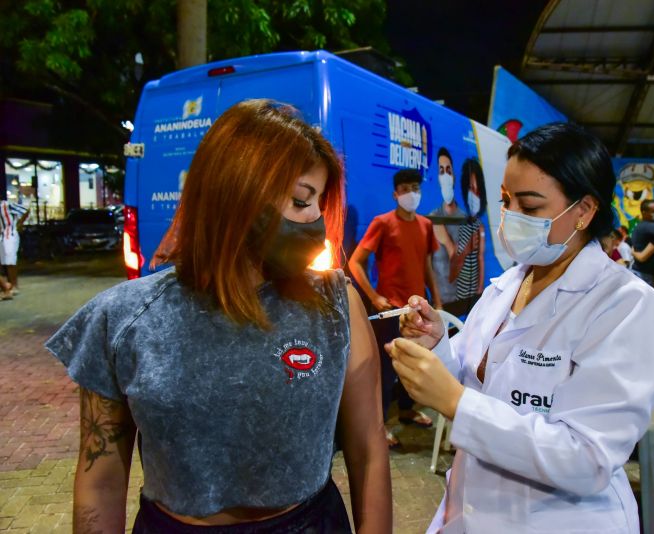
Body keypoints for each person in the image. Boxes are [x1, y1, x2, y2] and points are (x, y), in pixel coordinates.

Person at [45, 100, 391, 533]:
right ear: (236, 194)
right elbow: (100, 481)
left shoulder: (335, 304)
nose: (316, 220)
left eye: (319, 202)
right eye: (302, 200)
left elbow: (369, 449)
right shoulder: (123, 320)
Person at [387, 123, 654, 533]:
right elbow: (480, 381)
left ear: (584, 210)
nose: (511, 217)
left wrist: (456, 403)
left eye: (531, 206)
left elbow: (586, 458)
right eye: (507, 201)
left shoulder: (625, 308)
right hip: (474, 509)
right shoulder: (509, 285)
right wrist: (436, 346)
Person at [348, 169, 442, 447]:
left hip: (416, 310)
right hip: (391, 310)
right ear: (395, 194)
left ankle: (406, 410)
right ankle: (380, 424)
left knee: (413, 362)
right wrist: (374, 296)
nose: (411, 193)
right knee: (386, 369)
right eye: (405, 189)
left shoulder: (425, 225)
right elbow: (355, 262)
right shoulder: (383, 223)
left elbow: (426, 265)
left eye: (415, 187)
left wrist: (435, 299)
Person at [429, 147, 466, 314]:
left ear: (454, 175)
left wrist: (447, 242)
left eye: (448, 170)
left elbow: (464, 266)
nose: (445, 176)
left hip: (463, 300)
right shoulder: (432, 219)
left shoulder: (465, 219)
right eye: (441, 171)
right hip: (440, 304)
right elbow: (427, 268)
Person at [447, 158, 486, 312]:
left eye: (477, 190)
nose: (474, 194)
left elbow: (481, 259)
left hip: (471, 292)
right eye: (471, 188)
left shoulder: (479, 227)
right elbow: (455, 260)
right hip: (459, 290)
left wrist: (480, 289)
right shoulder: (461, 224)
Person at [0, 198, 29, 298]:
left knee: (10, 261)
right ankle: (8, 285)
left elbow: (25, 210)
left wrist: (19, 224)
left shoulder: (7, 205)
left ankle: (14, 285)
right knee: (4, 261)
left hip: (10, 234)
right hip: (3, 236)